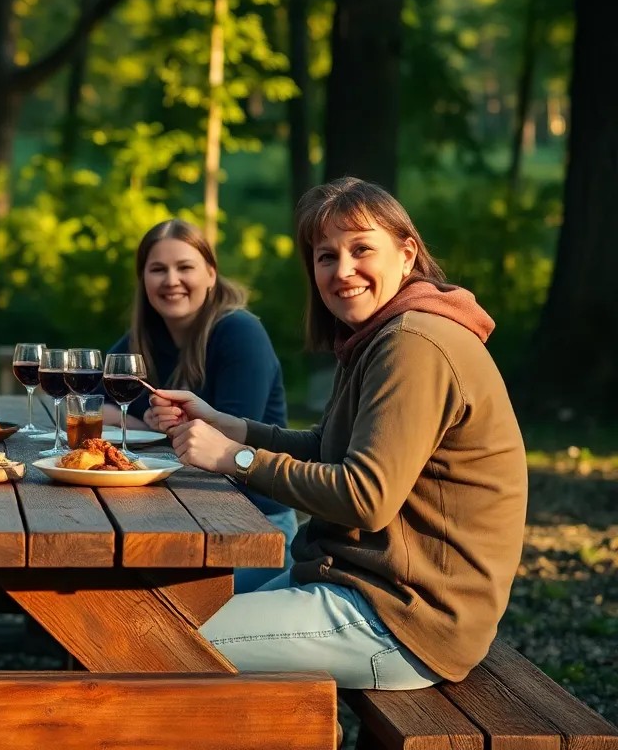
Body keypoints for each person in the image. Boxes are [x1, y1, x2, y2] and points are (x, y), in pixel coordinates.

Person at [151, 177, 527, 691]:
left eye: (361, 249)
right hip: (358, 585)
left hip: (406, 619)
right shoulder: (380, 336)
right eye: (326, 256)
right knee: (151, 622)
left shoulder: (415, 344)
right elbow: (327, 448)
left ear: (406, 253)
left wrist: (234, 458)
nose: (342, 270)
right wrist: (231, 425)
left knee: (151, 642)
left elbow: (365, 497)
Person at [108, 218, 295, 591]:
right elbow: (83, 402)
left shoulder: (240, 333)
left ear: (211, 274)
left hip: (256, 528)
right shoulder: (146, 337)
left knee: (153, 603)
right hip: (177, 516)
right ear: (143, 280)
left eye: (185, 267)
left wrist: (156, 426)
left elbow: (229, 442)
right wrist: (149, 423)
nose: (171, 280)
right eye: (157, 269)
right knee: (104, 581)